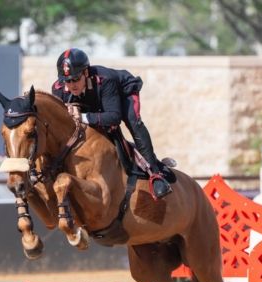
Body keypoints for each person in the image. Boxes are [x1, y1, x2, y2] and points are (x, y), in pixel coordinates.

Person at [51, 48, 173, 200]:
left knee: (134, 123)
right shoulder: (58, 90)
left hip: (122, 93)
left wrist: (81, 116)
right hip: (94, 100)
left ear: (86, 73)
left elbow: (114, 117)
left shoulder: (105, 79)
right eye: (67, 81)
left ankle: (156, 175)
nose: (72, 85)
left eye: (76, 79)